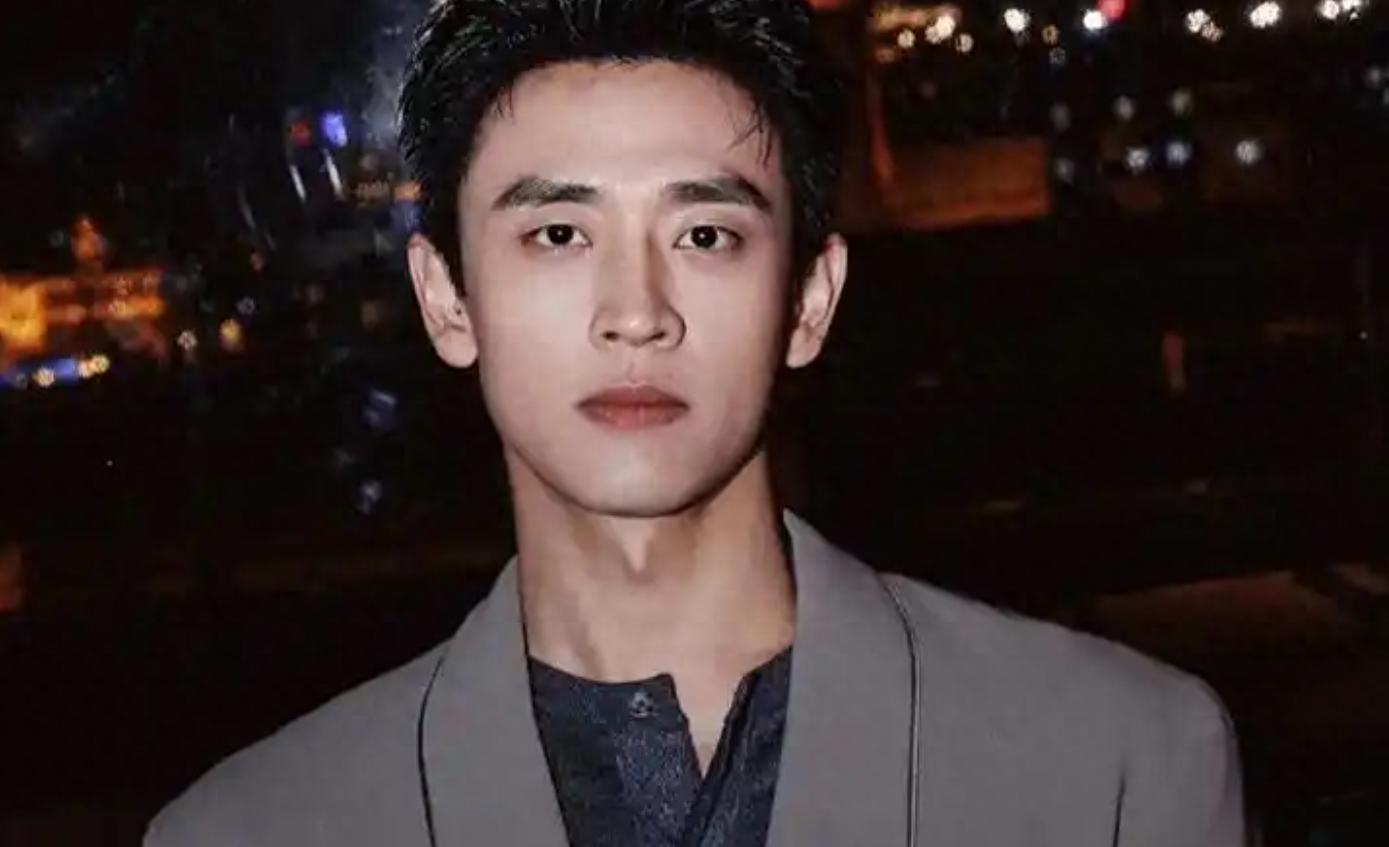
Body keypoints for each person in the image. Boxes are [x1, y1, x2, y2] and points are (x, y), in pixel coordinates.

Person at [146, 1, 1244, 844]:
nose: (636, 312)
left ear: (809, 300)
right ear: (446, 299)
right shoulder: (255, 829)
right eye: (558, 234)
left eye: (705, 236)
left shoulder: (1118, 764)